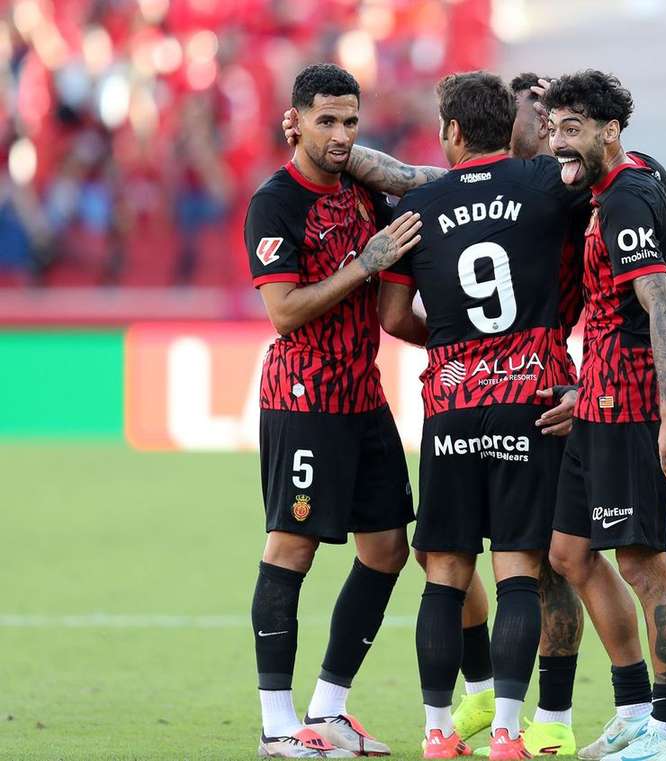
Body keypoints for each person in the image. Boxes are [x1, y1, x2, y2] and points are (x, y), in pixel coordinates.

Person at [376, 70, 583, 761]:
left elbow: (394, 315)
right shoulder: (548, 185)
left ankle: (437, 732)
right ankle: (505, 734)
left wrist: (452, 345)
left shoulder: (420, 203)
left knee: (445, 573)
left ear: (453, 133)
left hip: (453, 407)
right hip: (531, 402)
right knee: (519, 571)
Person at [244, 63, 423, 759]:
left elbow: (414, 183)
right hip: (304, 397)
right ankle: (277, 722)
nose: (342, 134)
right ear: (297, 120)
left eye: (351, 120)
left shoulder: (362, 189)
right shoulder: (276, 201)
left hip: (361, 393)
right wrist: (364, 265)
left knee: (387, 548)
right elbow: (284, 311)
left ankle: (329, 708)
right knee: (292, 546)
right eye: (327, 120)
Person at [542, 71, 666, 761]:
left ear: (610, 131)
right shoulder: (622, 181)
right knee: (570, 553)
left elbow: (659, 301)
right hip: (597, 399)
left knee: (644, 566)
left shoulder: (628, 195)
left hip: (633, 405)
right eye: (553, 129)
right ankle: (635, 711)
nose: (557, 144)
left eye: (571, 130)